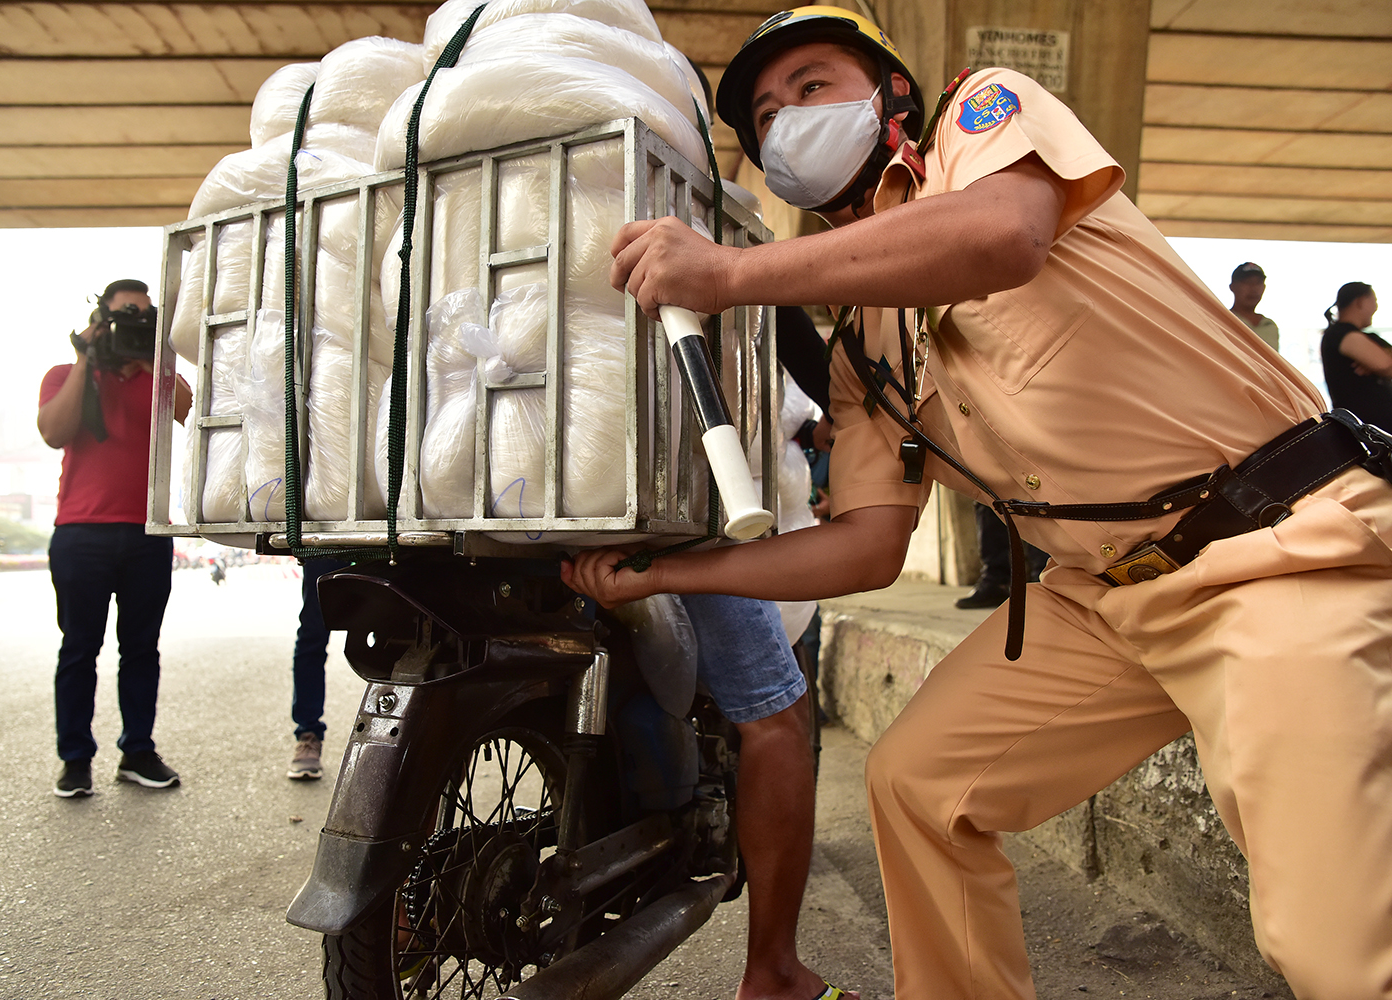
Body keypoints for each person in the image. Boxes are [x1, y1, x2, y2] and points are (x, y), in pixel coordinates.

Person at [565, 7, 1392, 998]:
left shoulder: (981, 127)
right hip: (1106, 598)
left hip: (1277, 548)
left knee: (1338, 955)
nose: (787, 120)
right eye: (766, 114)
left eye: (812, 84)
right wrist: (668, 572)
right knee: (919, 786)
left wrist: (730, 276)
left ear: (892, 93)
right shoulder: (863, 342)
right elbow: (866, 547)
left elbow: (1005, 235)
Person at [39, 279, 193, 799]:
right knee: (80, 649)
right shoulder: (65, 375)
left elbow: (185, 408)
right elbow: (53, 432)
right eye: (124, 316)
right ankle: (75, 759)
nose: (133, 324)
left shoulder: (156, 379)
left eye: (143, 317)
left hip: (147, 531)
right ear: (100, 320)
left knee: (141, 650)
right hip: (80, 533)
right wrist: (88, 356)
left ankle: (138, 751)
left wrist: (151, 355)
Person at [285, 556, 347, 781]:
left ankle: (395, 731)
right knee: (312, 633)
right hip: (328, 536)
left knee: (393, 628)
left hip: (390, 535)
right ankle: (308, 732)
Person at [1320, 281, 1389, 428]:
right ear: (1360, 302)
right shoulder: (1340, 334)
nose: (1376, 307)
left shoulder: (1368, 337)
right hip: (1366, 431)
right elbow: (1385, 365)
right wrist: (1381, 361)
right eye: (1374, 301)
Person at [1227, 261, 1278, 351]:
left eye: (1258, 283)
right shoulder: (1222, 321)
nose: (1253, 288)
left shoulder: (1270, 326)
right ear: (1232, 286)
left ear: (1264, 287)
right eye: (1247, 282)